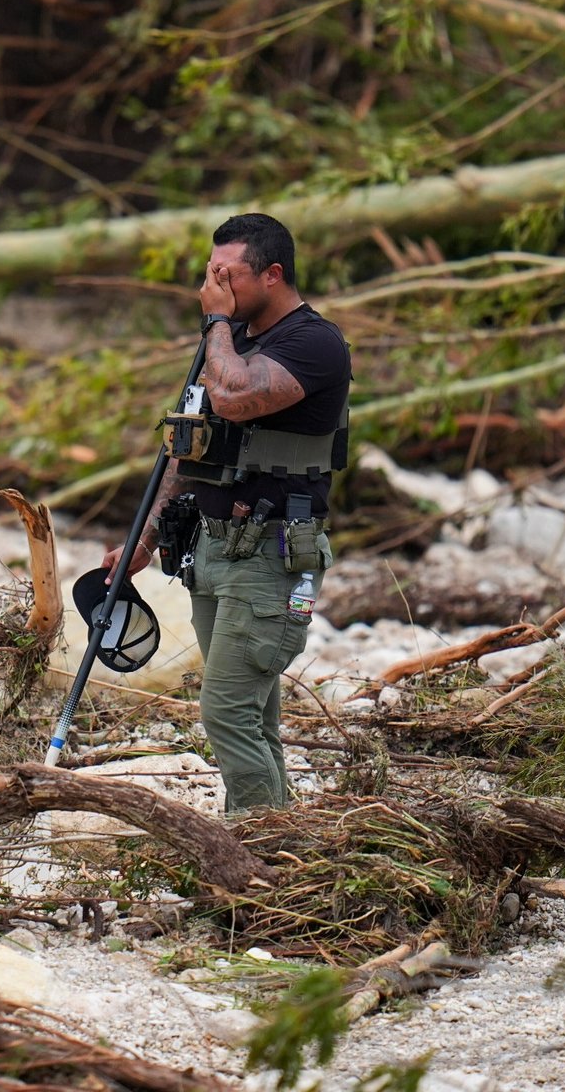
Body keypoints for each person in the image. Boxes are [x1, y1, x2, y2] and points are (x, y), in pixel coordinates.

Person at [103, 213, 351, 810]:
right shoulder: (229, 343)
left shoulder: (313, 343)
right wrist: (148, 535)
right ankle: (285, 848)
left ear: (272, 274)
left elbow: (236, 399)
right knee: (254, 716)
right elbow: (186, 449)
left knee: (226, 712)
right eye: (209, 274)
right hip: (213, 550)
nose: (212, 288)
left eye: (226, 275)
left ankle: (255, 850)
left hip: (271, 557)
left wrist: (216, 322)